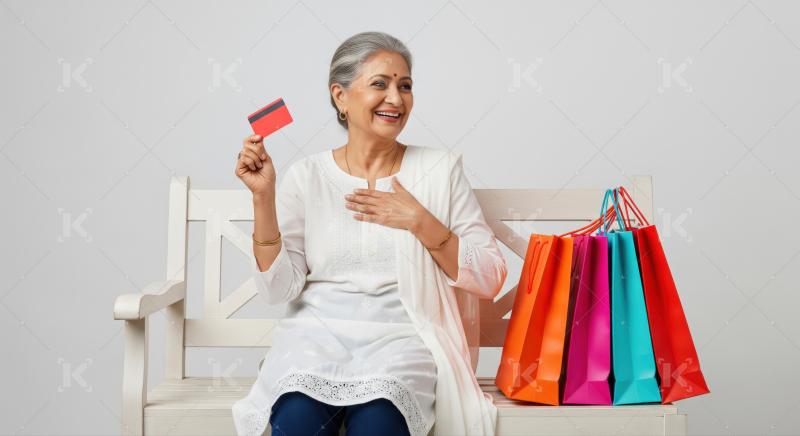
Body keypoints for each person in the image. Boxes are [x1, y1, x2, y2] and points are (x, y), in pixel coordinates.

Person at [232, 31, 507, 436]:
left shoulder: (440, 170)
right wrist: (263, 198)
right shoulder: (306, 176)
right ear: (340, 96)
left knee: (378, 424)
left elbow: (489, 276)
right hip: (313, 341)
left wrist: (420, 221)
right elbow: (278, 290)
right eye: (380, 84)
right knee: (297, 423)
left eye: (405, 86)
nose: (396, 98)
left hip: (403, 342)